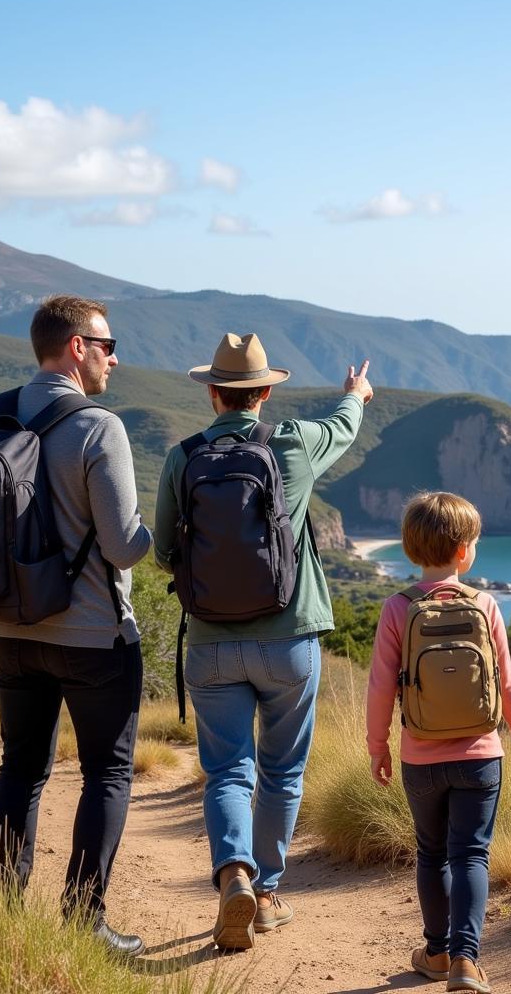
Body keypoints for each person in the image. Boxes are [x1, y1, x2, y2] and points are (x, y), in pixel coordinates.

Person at [154, 332, 372, 951]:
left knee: (228, 771)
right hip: (290, 638)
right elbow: (344, 425)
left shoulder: (183, 456)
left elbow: (167, 550)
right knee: (281, 772)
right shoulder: (294, 444)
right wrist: (355, 393)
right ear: (267, 391)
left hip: (210, 645)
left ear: (213, 393)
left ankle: (234, 876)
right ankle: (269, 894)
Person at [0, 294, 152, 956]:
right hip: (96, 638)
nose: (114, 358)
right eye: (107, 345)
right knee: (107, 773)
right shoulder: (101, 427)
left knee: (20, 769)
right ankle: (83, 921)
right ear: (76, 348)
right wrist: (158, 533)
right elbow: (124, 547)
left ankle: (2, 915)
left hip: (12, 632)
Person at [366, 492, 511, 993]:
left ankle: (436, 952)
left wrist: (378, 747)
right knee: (471, 856)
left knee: (432, 853)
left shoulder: (398, 607)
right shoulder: (484, 605)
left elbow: (380, 686)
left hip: (419, 756)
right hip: (481, 756)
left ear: (409, 548)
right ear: (464, 551)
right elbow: (508, 682)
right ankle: (467, 960)